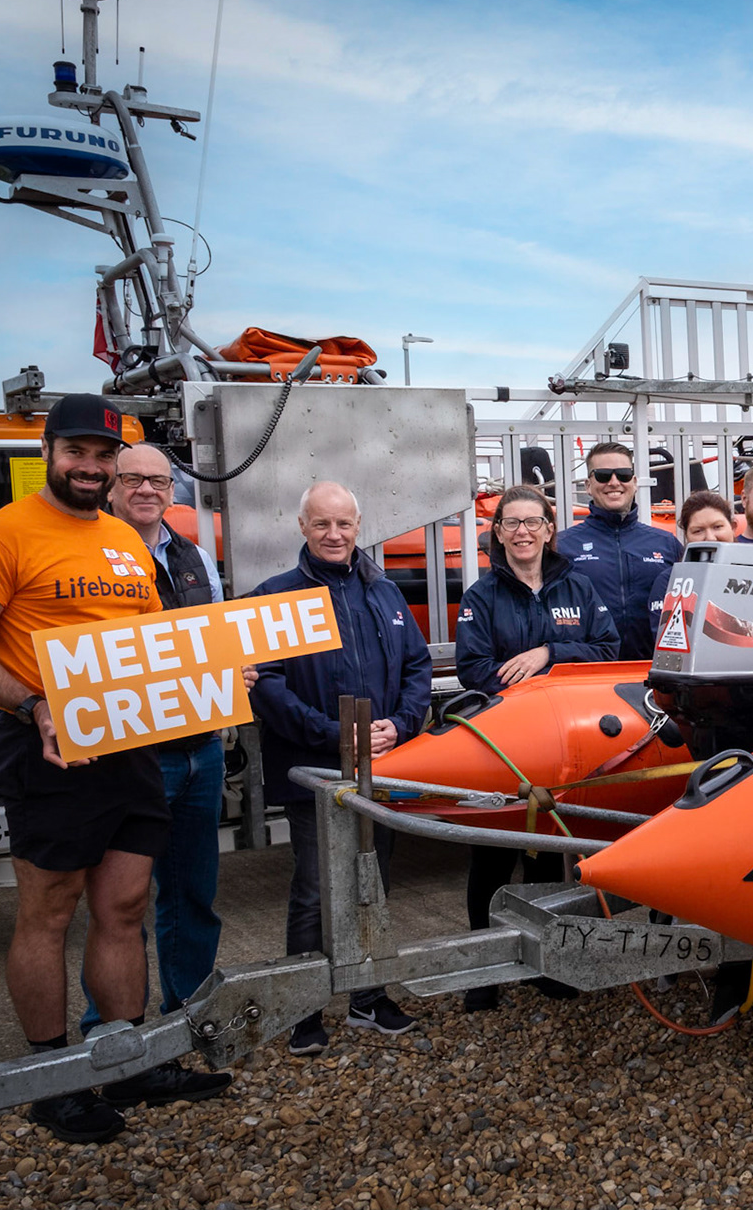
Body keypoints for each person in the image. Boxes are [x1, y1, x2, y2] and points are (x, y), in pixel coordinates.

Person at [0, 394, 220, 1144]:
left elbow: (153, 646)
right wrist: (34, 707)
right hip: (46, 747)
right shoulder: (3, 533)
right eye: (76, 452)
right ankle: (50, 1079)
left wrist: (217, 671)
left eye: (102, 454)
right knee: (47, 913)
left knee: (124, 906)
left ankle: (122, 1059)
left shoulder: (123, 540)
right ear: (50, 451)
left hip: (129, 748)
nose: (90, 466)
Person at [247, 481, 432, 1057]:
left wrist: (400, 724)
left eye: (344, 524)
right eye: (321, 524)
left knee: (370, 881)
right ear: (301, 527)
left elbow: (418, 667)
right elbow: (267, 689)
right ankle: (303, 1006)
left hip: (381, 763)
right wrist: (334, 734)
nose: (334, 535)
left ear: (359, 526)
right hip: (314, 770)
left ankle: (367, 995)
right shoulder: (274, 598)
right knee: (313, 889)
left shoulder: (386, 594)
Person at [78, 445, 235, 1051]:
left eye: (159, 480)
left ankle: (190, 1022)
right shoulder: (89, 553)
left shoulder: (192, 554)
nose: (148, 489)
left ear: (174, 490)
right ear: (111, 488)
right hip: (130, 755)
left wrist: (232, 670)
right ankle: (113, 1033)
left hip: (198, 751)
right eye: (134, 479)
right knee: (122, 902)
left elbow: (214, 633)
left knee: (193, 892)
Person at [453, 485, 618, 1012]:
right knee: (491, 860)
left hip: (563, 748)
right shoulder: (482, 596)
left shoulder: (579, 587)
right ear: (497, 533)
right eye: (511, 524)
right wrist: (526, 691)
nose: (523, 532)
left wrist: (548, 652)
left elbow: (609, 651)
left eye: (533, 522)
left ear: (550, 530)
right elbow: (473, 669)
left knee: (549, 859)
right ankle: (485, 968)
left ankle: (545, 962)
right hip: (503, 746)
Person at [556, 443, 682, 660]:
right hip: (588, 673)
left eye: (623, 475)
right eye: (603, 475)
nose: (614, 482)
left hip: (654, 670)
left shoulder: (666, 543)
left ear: (634, 482)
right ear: (588, 485)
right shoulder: (563, 546)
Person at [649, 490, 739, 626]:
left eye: (717, 527)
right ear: (686, 536)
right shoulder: (669, 581)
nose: (710, 537)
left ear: (732, 527)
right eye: (698, 531)